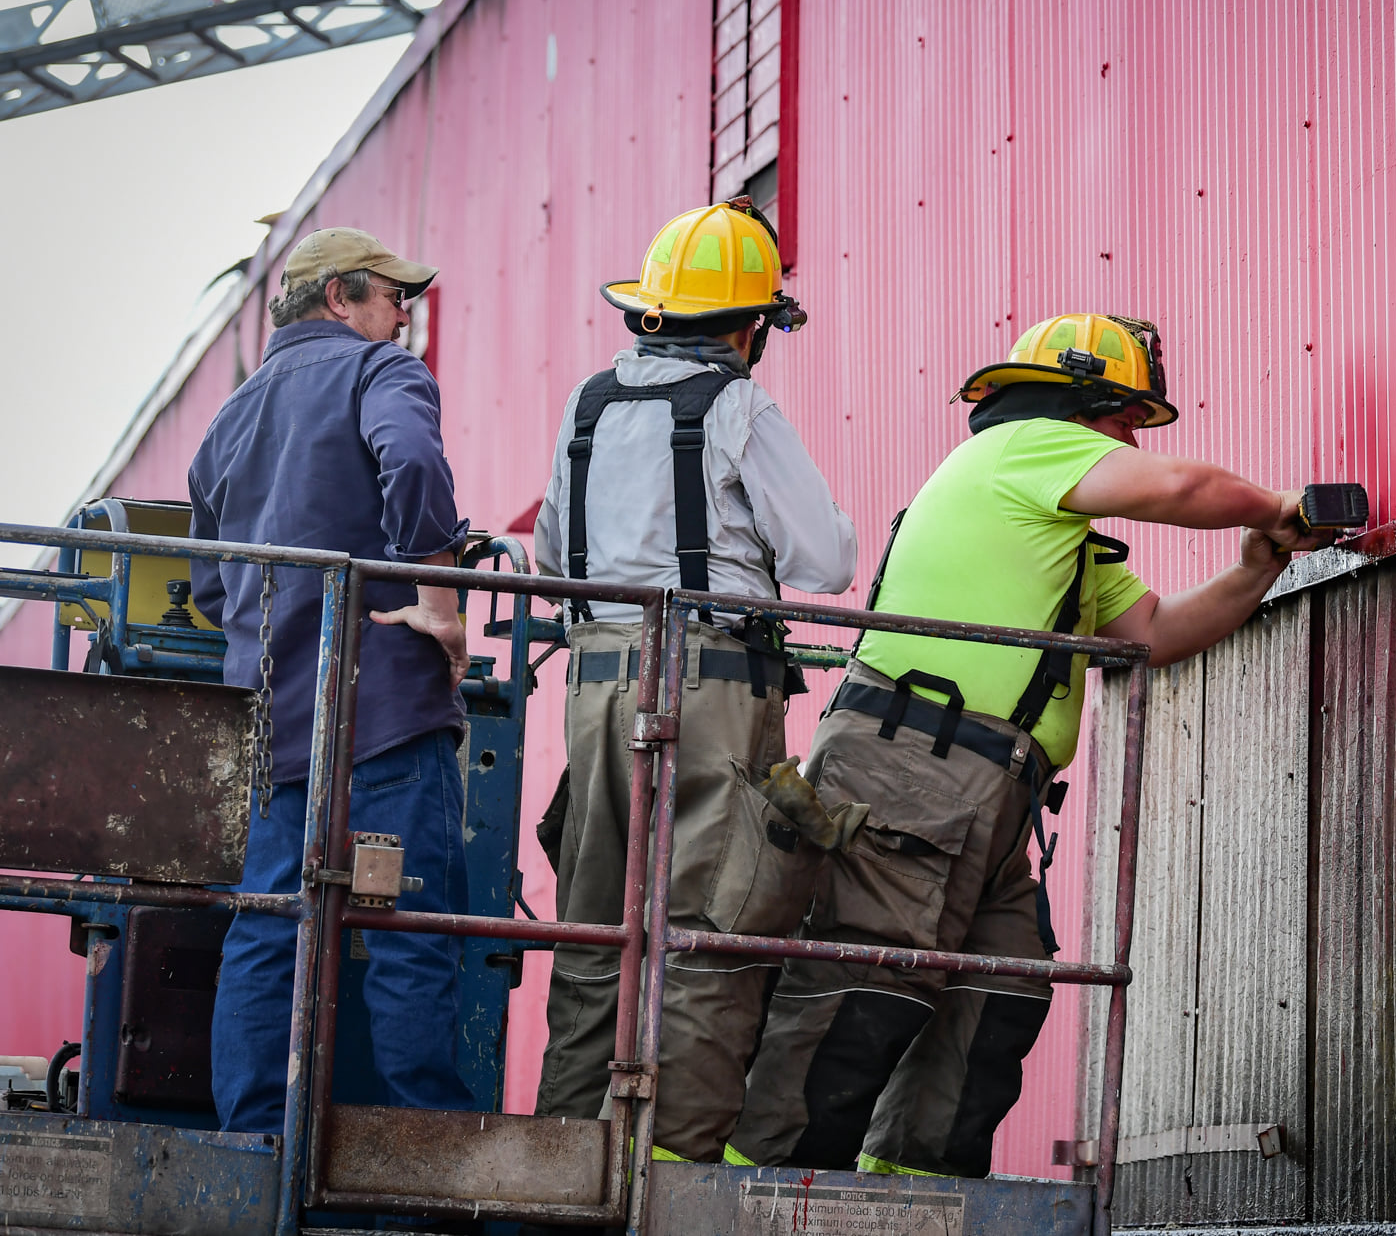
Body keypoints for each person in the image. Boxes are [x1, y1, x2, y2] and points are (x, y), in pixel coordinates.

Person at [730, 313, 1330, 1177]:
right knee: (865, 987)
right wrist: (1281, 507)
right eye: (1126, 418)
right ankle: (756, 1192)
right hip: (913, 766)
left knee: (1000, 984)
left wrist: (1257, 564)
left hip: (979, 791)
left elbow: (1152, 632)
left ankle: (913, 1189)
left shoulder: (1060, 537)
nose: (1132, 441)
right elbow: (1177, 488)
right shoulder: (1024, 447)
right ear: (1078, 407)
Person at [530, 198, 857, 1163]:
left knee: (597, 929)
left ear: (652, 309)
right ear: (751, 325)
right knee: (712, 929)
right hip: (711, 687)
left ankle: (559, 1169)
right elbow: (827, 560)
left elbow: (555, 553)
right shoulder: (738, 404)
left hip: (594, 688)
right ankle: (668, 1178)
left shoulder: (587, 404)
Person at [192, 227, 476, 1132]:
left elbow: (205, 584)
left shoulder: (228, 421)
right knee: (405, 932)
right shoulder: (379, 373)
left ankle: (253, 1148)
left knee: (269, 932)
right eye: (396, 297)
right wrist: (433, 587)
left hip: (275, 738)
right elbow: (417, 463)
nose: (405, 316)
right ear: (341, 297)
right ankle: (421, 1159)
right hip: (383, 719)